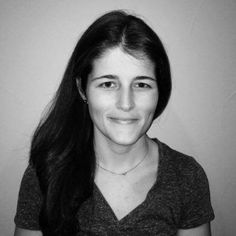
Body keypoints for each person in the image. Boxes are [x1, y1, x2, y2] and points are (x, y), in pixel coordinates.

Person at [14, 10, 214, 236]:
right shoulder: (45, 173)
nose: (126, 104)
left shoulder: (187, 177)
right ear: (82, 88)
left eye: (142, 85)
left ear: (160, 90)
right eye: (108, 84)